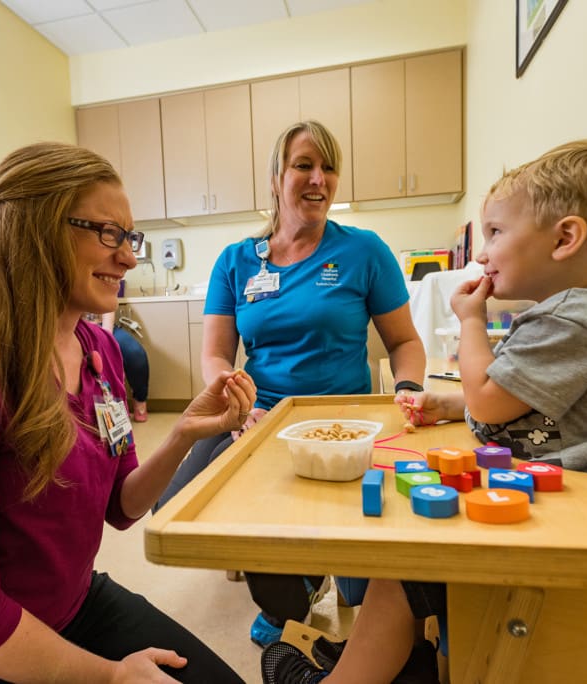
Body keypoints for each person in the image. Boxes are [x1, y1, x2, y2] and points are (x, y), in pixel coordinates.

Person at [0, 141, 256, 684]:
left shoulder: (100, 352)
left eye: (131, 239)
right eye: (109, 234)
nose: (127, 257)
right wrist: (110, 675)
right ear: (35, 229)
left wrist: (183, 436)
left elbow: (121, 506)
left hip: (66, 609)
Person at [260, 138, 587, 683]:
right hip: (543, 490)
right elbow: (514, 407)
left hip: (563, 512)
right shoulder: (569, 316)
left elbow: (491, 397)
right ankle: (390, 659)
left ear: (565, 239)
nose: (481, 254)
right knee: (398, 548)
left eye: (495, 233)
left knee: (403, 566)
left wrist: (472, 321)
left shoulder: (576, 322)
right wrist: (448, 403)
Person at [154, 120, 427, 647]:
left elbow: (404, 342)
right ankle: (288, 586)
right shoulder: (236, 261)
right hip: (257, 412)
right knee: (175, 510)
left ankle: (297, 587)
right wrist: (235, 398)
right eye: (304, 165)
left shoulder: (364, 251)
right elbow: (215, 353)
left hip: (341, 417)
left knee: (348, 576)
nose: (319, 179)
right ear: (276, 176)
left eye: (329, 168)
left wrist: (407, 388)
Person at [98, 309, 150, 421]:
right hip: (77, 327)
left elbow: (108, 310)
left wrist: (106, 338)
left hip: (106, 326)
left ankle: (140, 401)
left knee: (135, 353)